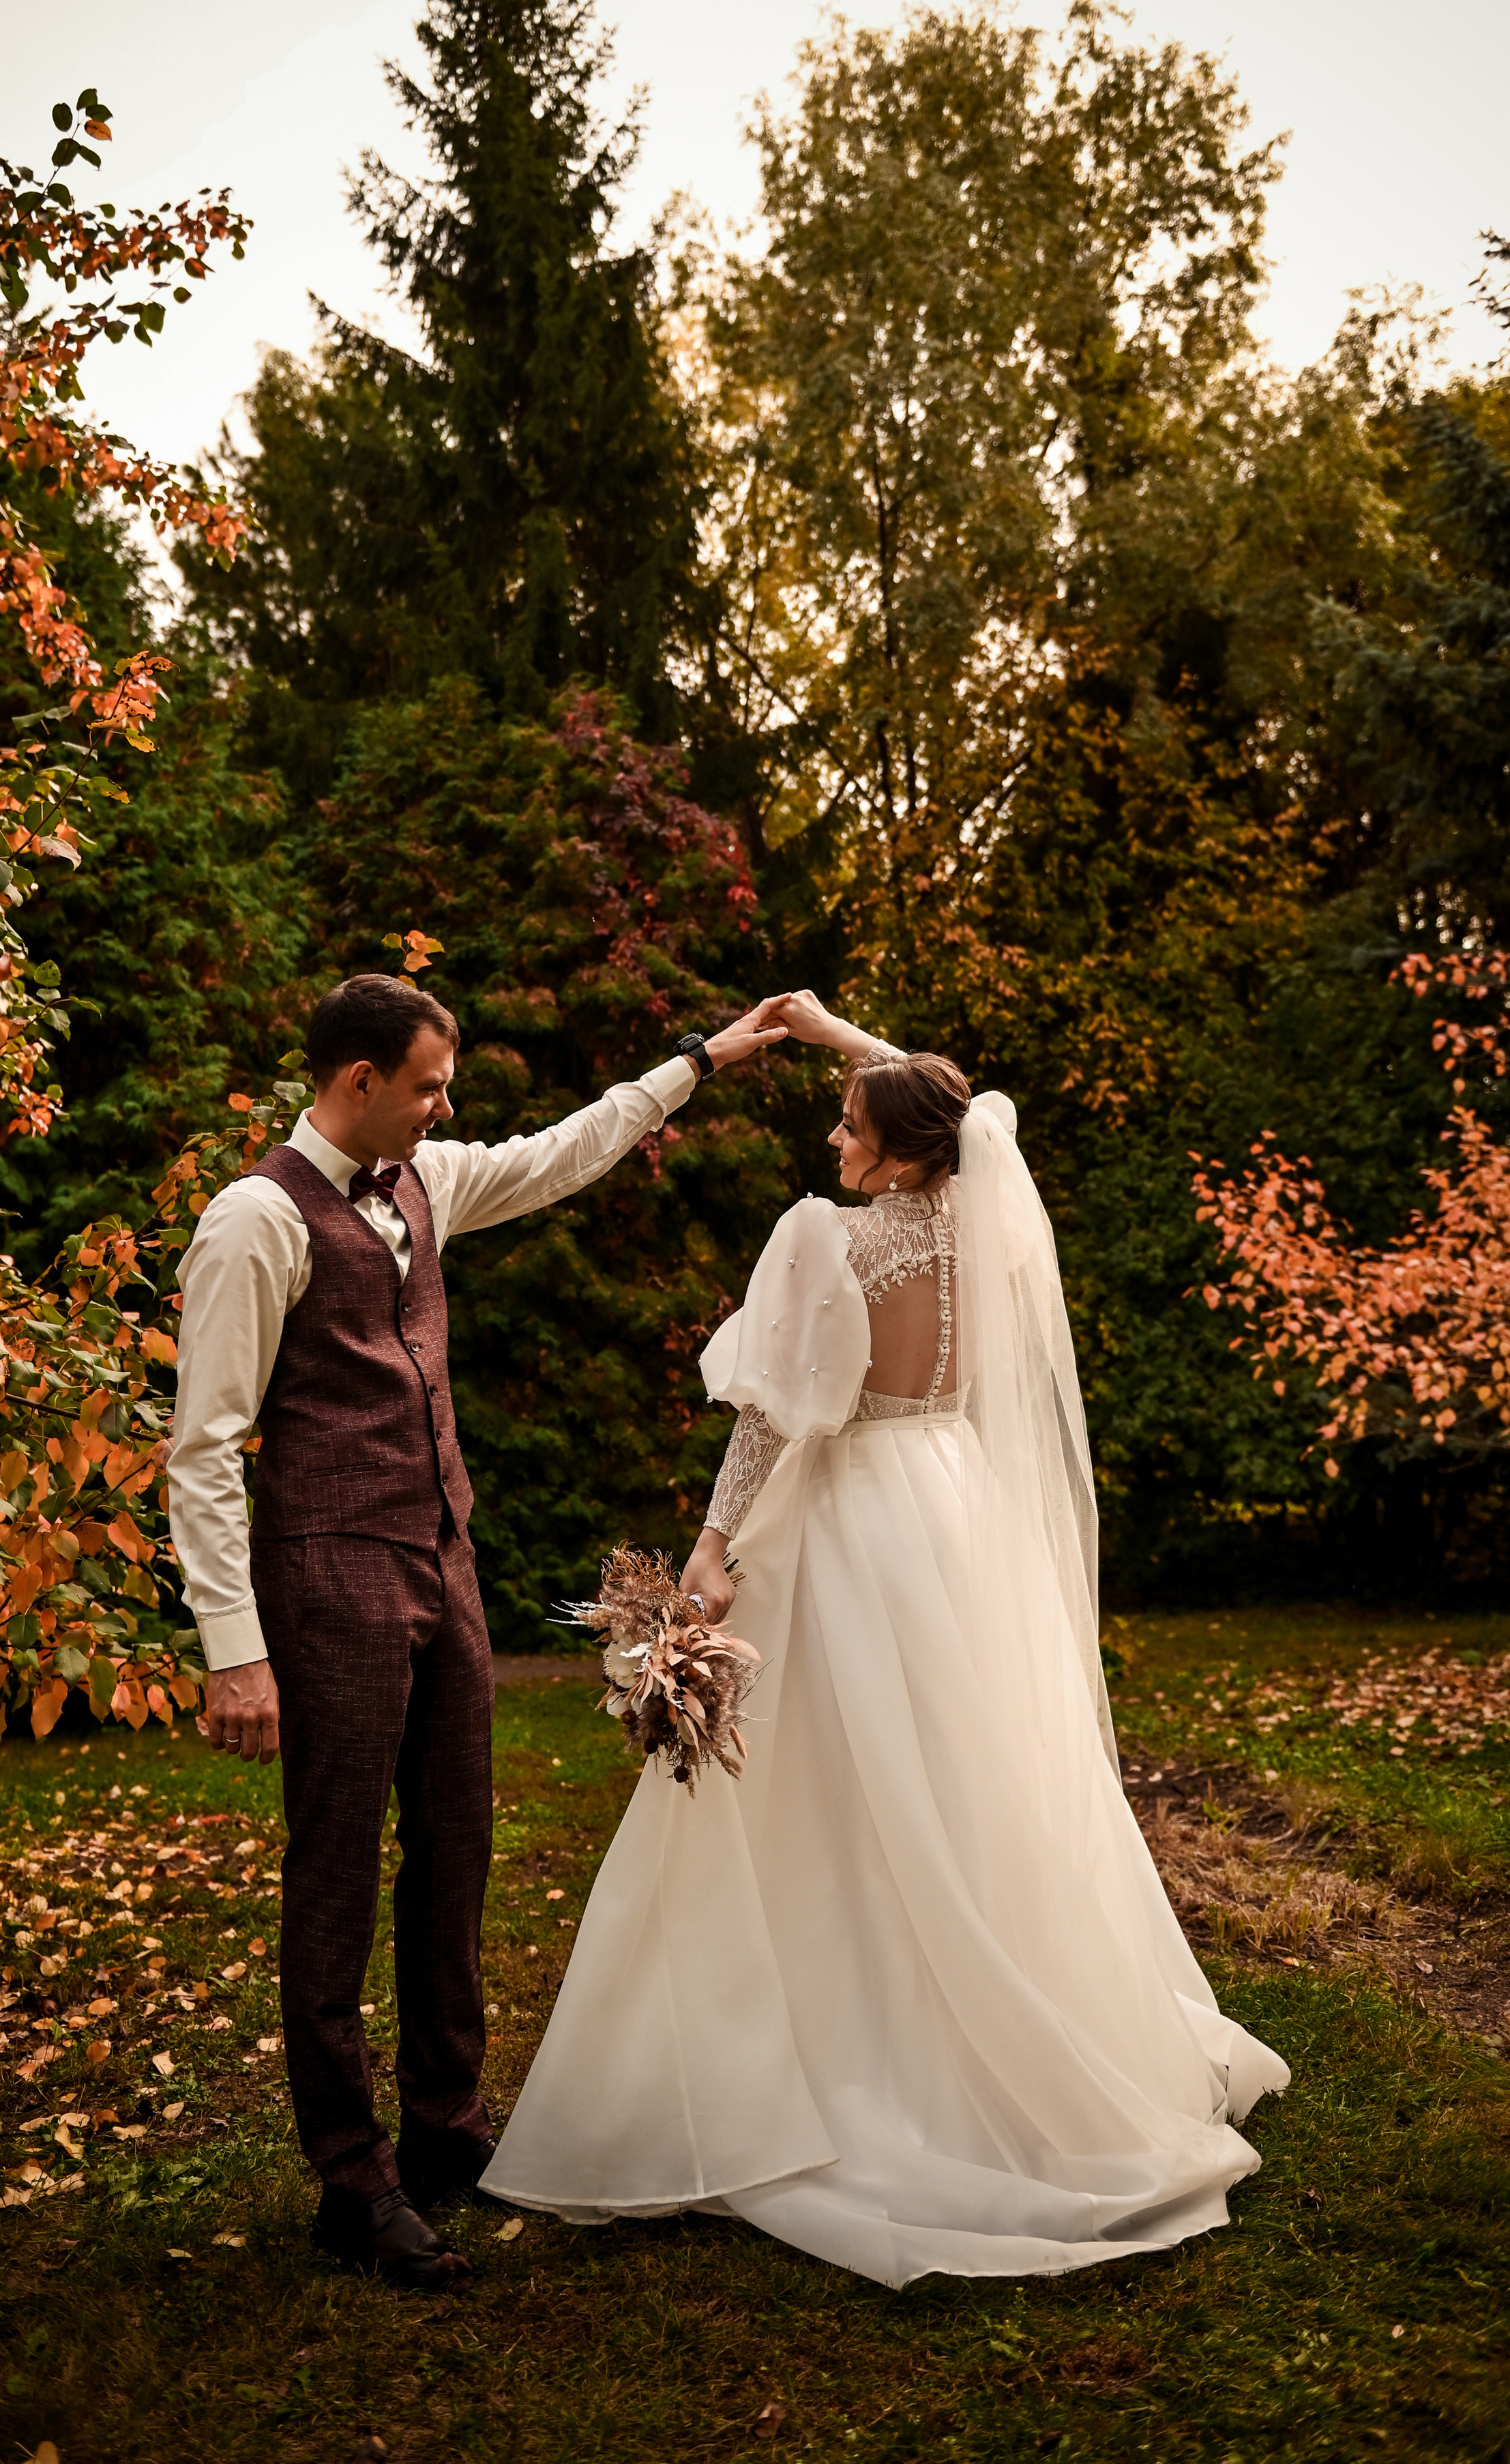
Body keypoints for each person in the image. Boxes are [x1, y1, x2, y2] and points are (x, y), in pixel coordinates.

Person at [484, 991, 1290, 2287]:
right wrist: (840, 1038)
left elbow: (772, 1414)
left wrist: (712, 1546)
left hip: (853, 1512)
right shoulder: (986, 1223)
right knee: (965, 1772)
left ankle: (833, 2048)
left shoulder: (830, 1240)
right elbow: (974, 1118)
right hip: (954, 1510)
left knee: (823, 1780)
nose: (833, 1139)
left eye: (852, 1125)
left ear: (903, 1154)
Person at [167, 972, 786, 2288]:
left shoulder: (427, 1180)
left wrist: (699, 1060)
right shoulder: (255, 1220)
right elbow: (205, 1449)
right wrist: (235, 1646)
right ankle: (352, 2178)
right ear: (360, 1080)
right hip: (327, 1568)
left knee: (456, 1846)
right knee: (336, 1869)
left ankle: (445, 2128)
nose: (447, 1107)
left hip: (442, 1556)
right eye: (430, 1085)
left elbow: (566, 1148)